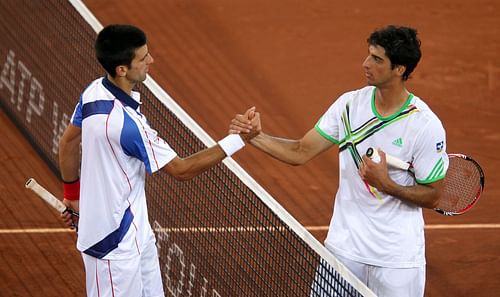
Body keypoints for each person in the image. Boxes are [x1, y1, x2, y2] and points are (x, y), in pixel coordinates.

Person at [230, 25, 448, 297]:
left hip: (396, 260)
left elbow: (434, 195)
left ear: (400, 69)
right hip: (343, 250)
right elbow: (300, 151)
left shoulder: (424, 125)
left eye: (377, 59)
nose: (365, 64)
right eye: (368, 55)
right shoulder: (349, 106)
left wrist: (386, 184)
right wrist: (256, 137)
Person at [58, 24, 254, 297]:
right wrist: (237, 140)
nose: (151, 61)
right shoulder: (129, 126)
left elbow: (67, 143)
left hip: (138, 235)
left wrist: (72, 195)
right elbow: (182, 170)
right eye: (143, 58)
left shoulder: (92, 94)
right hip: (113, 251)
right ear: (122, 70)